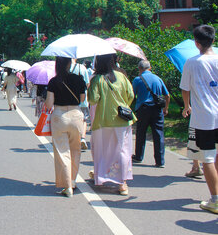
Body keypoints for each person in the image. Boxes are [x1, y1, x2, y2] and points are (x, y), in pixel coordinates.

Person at [180, 25, 218, 214]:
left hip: (204, 117)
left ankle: (215, 200)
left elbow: (185, 88)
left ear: (196, 43)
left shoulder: (192, 62)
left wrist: (187, 106)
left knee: (207, 158)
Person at [88, 53, 135, 196]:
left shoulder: (97, 79)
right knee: (122, 150)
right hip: (122, 119)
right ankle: (123, 183)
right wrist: (121, 105)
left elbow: (93, 100)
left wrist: (90, 87)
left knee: (102, 149)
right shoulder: (121, 76)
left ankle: (101, 176)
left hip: (103, 120)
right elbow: (131, 95)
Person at [45, 56, 86, 197]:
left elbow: (49, 104)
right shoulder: (79, 78)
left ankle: (67, 186)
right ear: (70, 63)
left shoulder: (53, 81)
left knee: (62, 152)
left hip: (59, 116)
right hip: (76, 115)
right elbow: (82, 99)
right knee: (76, 150)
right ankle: (73, 181)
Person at [131, 60, 170, 167]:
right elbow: (167, 95)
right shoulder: (158, 79)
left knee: (141, 133)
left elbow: (132, 95)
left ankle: (138, 156)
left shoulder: (137, 80)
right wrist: (166, 108)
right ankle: (160, 161)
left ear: (139, 69)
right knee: (158, 134)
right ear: (150, 68)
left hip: (143, 109)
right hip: (157, 110)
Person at [70, 60, 91, 150]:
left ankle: (73, 139)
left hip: (70, 100)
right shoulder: (82, 68)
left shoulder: (65, 67)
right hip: (82, 99)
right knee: (83, 119)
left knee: (71, 119)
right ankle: (82, 138)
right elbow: (87, 83)